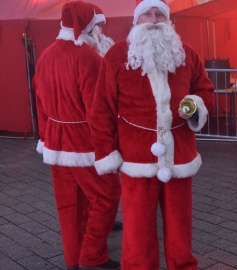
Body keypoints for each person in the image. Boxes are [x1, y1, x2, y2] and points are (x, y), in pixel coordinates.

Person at [88, 0, 215, 269]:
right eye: (147, 13)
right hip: (136, 158)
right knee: (137, 229)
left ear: (168, 21)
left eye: (160, 14)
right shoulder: (116, 56)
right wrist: (106, 152)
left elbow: (205, 91)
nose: (154, 19)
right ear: (137, 19)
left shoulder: (186, 54)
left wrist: (196, 105)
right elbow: (101, 110)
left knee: (180, 226)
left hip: (179, 155)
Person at [34, 1, 121, 270]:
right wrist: (108, 146)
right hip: (85, 142)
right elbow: (97, 110)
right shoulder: (88, 58)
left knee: (69, 205)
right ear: (88, 27)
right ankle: (93, 255)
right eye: (98, 27)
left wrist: (45, 136)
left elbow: (39, 102)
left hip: (56, 140)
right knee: (106, 196)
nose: (101, 32)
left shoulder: (46, 54)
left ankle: (73, 258)